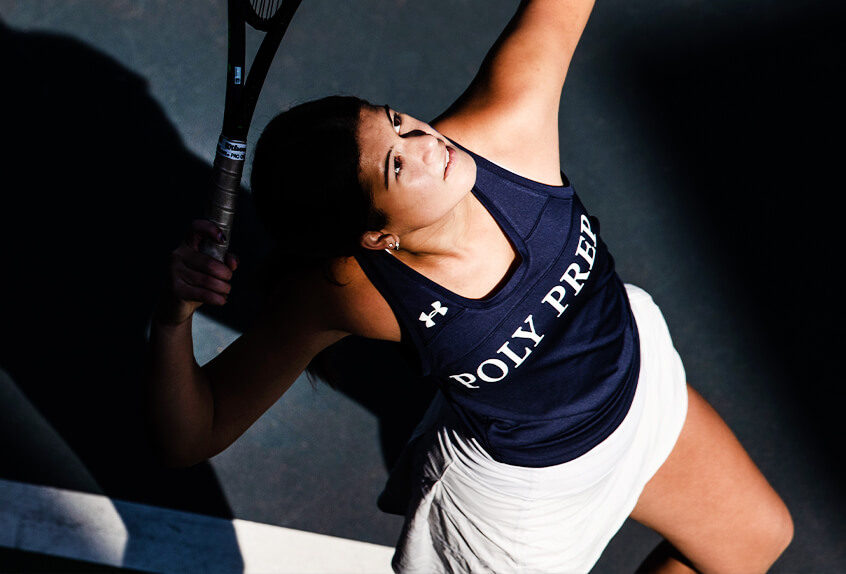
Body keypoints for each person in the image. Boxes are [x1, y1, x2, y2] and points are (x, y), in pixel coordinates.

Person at [147, 1, 794, 572]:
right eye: (399, 166)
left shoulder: (511, 126)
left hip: (633, 386)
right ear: (378, 238)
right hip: (520, 503)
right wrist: (174, 319)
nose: (428, 143)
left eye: (398, 121)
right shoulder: (350, 292)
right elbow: (192, 435)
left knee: (755, 540)